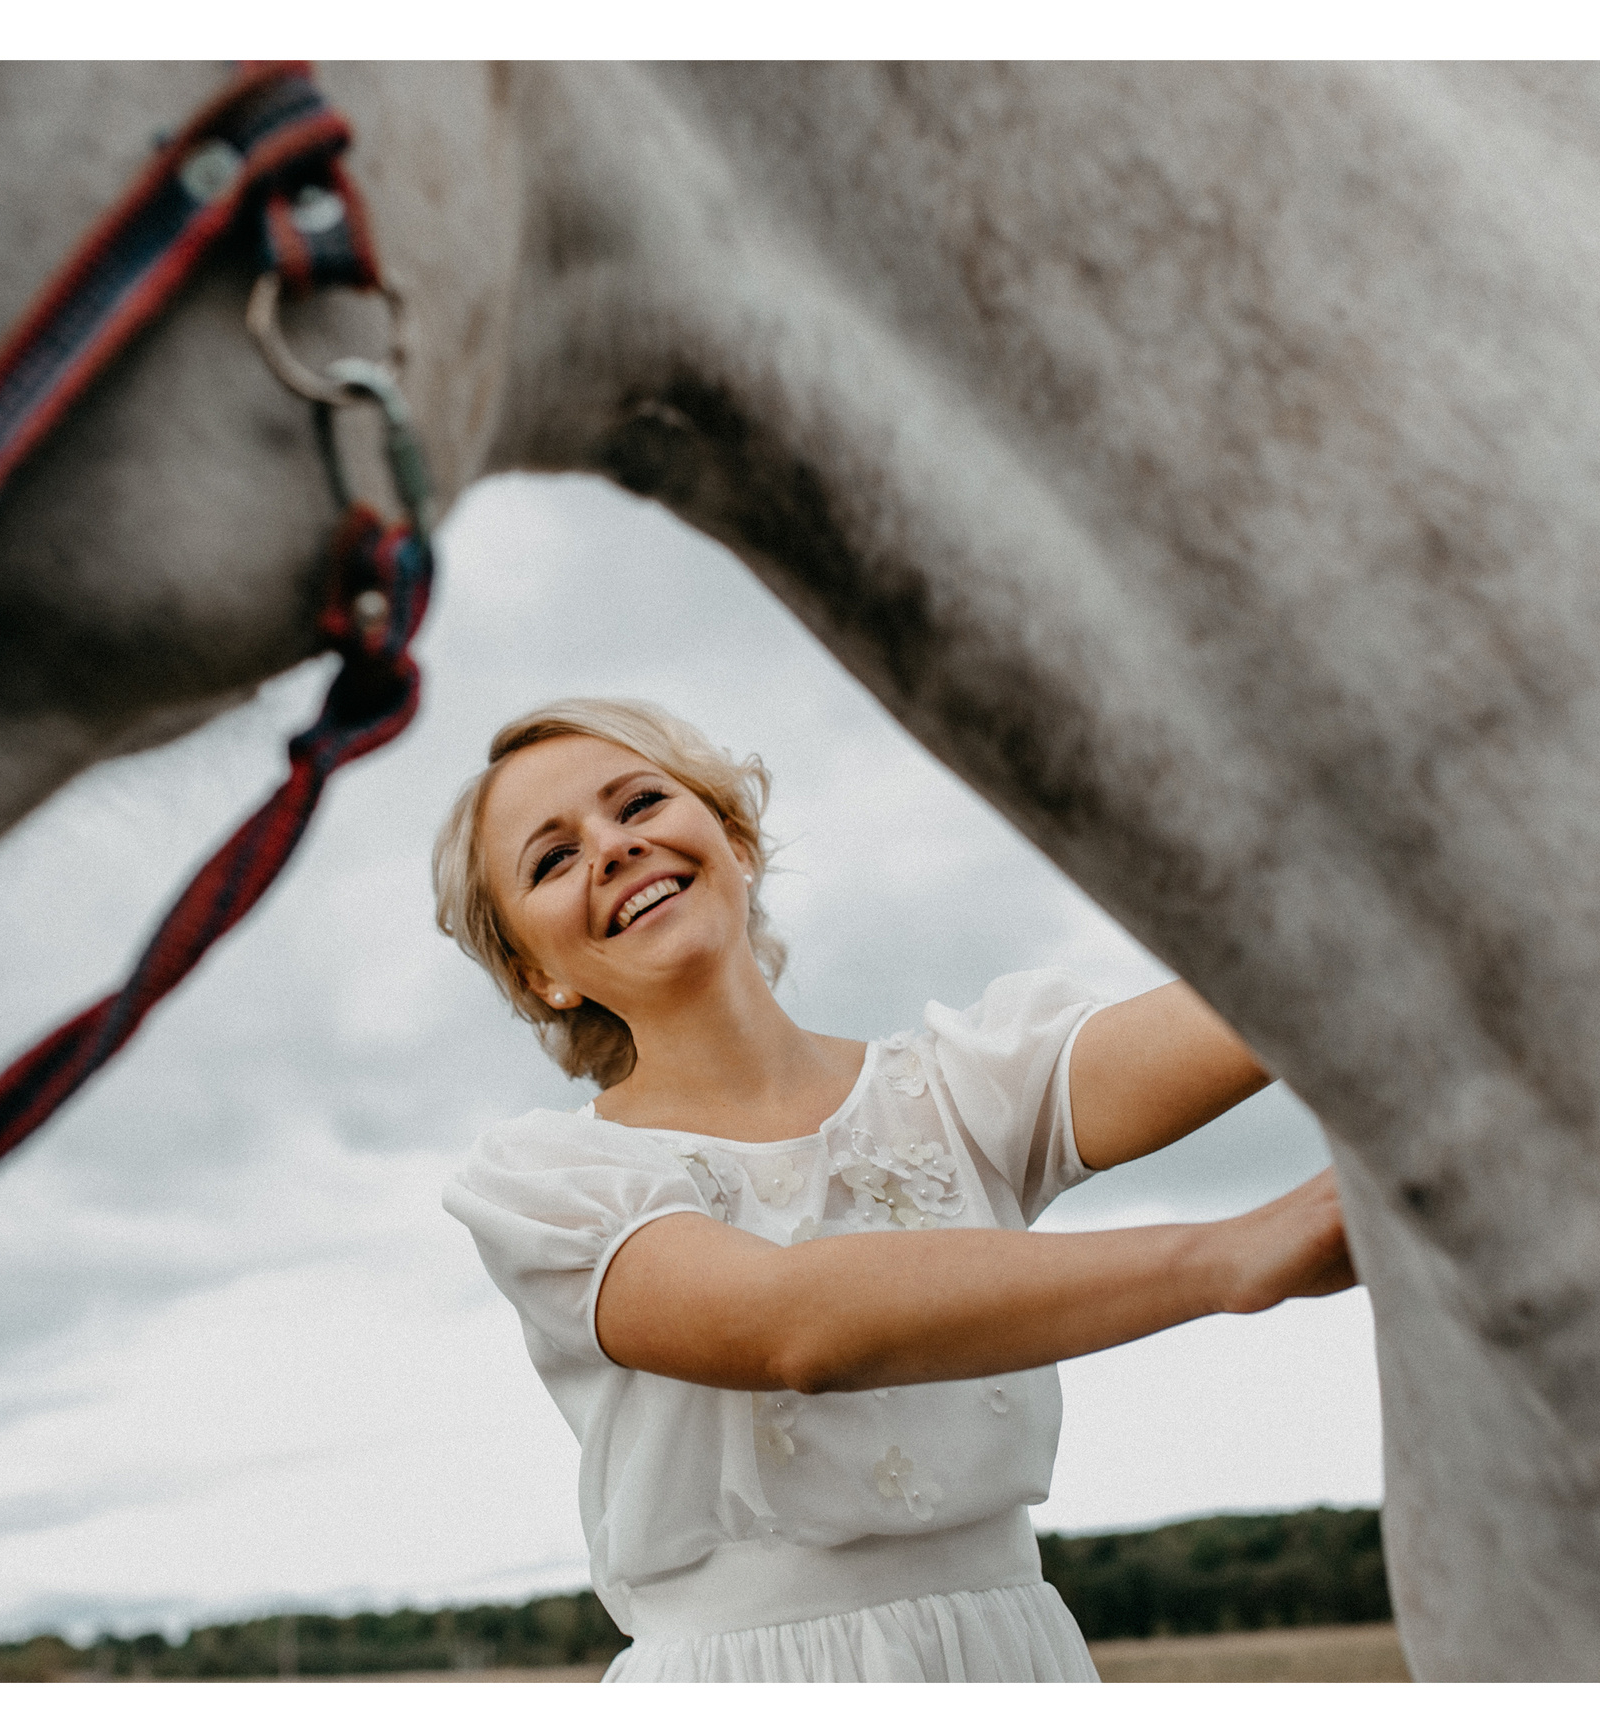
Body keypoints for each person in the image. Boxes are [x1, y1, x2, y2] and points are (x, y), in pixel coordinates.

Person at [435, 698, 1356, 1682]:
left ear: (733, 837)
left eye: (640, 802)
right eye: (550, 859)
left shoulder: (964, 1087)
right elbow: (797, 1328)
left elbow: (1287, 985)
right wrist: (1226, 1258)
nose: (612, 848)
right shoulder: (546, 1186)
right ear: (536, 974)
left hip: (1014, 1663)